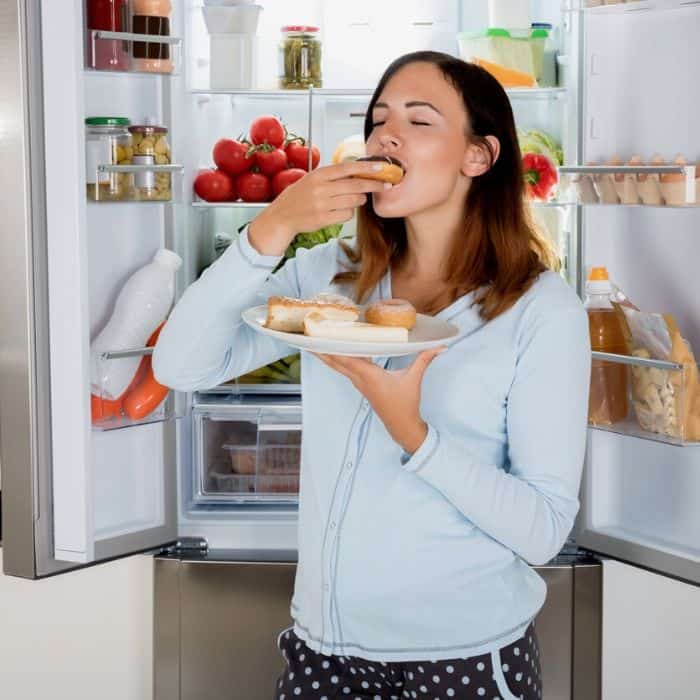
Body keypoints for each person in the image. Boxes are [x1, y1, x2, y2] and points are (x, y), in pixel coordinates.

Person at [153, 51, 591, 700]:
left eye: (419, 120)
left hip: (462, 659)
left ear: (478, 156)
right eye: (378, 117)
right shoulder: (334, 273)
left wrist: (413, 433)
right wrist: (272, 227)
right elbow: (181, 365)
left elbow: (543, 530)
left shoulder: (540, 310)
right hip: (322, 648)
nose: (385, 134)